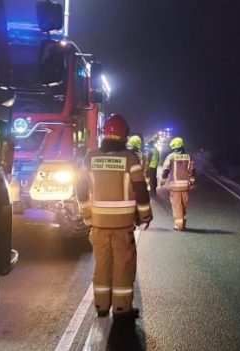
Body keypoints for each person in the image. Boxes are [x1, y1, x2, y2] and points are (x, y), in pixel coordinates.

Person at [76, 114, 152, 321]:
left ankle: (101, 306)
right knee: (123, 267)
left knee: (102, 264)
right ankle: (121, 309)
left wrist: (85, 213)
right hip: (123, 226)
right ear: (125, 136)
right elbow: (141, 191)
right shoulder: (130, 159)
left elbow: (81, 190)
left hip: (99, 225)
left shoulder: (90, 157)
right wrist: (145, 216)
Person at [161, 137, 196, 231]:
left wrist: (163, 180)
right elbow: (192, 170)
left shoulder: (170, 157)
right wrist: (192, 181)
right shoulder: (188, 156)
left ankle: (179, 225)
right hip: (185, 186)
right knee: (184, 205)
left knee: (177, 206)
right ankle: (183, 224)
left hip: (175, 186)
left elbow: (165, 170)